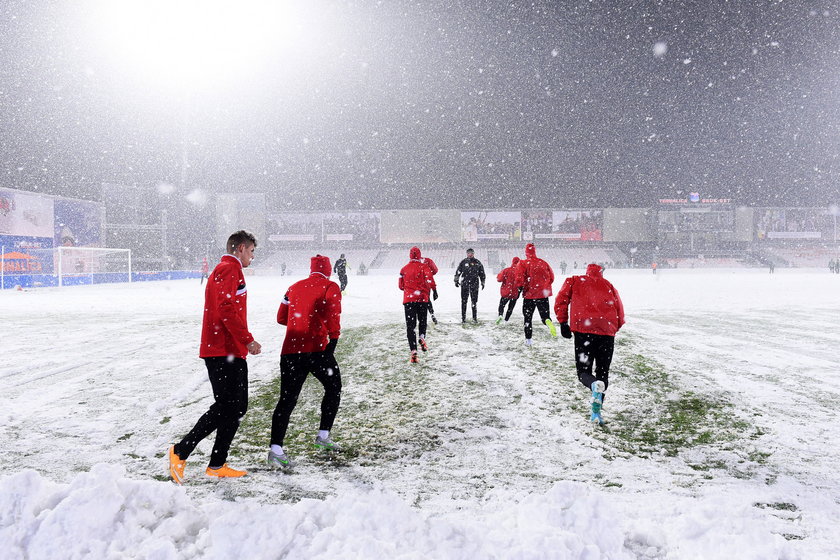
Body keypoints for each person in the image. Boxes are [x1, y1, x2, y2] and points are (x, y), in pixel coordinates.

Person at [168, 230, 262, 483]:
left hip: (228, 350)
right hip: (223, 350)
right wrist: (247, 339)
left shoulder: (229, 269)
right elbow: (226, 308)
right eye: (251, 251)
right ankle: (180, 451)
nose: (252, 257)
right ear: (240, 248)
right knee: (227, 406)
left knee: (236, 408)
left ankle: (217, 463)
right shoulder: (229, 268)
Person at [268, 254, 343, 468]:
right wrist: (333, 337)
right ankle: (323, 436)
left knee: (287, 399)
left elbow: (281, 317)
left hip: (291, 351)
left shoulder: (293, 287)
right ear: (328, 269)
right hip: (317, 349)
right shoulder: (330, 286)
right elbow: (333, 313)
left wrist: (299, 322)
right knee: (333, 388)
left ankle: (276, 448)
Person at [554, 263, 625, 425]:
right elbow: (619, 310)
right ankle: (597, 412)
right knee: (603, 372)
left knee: (583, 372)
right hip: (606, 333)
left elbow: (561, 300)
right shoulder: (608, 285)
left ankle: (593, 385)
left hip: (583, 332)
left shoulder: (574, 281)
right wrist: (614, 328)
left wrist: (563, 322)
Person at [399, 246, 437, 363]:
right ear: (419, 255)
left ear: (410, 255)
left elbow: (401, 286)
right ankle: (422, 337)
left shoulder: (404, 269)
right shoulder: (424, 266)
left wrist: (410, 289)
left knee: (410, 326)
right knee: (422, 321)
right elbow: (430, 277)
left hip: (409, 300)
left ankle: (413, 351)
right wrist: (434, 290)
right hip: (422, 299)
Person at [516, 243, 557, 345]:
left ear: (526, 253)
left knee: (528, 318)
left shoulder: (523, 263)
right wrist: (543, 287)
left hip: (529, 295)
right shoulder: (543, 263)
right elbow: (551, 277)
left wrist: (522, 287)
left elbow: (519, 279)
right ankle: (547, 320)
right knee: (544, 315)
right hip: (542, 294)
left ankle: (528, 340)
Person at [454, 248, 485, 323]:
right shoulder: (463, 262)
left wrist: (483, 282)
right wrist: (456, 280)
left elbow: (482, 273)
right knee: (464, 302)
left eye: (471, 253)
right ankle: (463, 318)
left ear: (473, 253)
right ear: (466, 254)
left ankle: (474, 318)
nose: (470, 254)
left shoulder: (477, 262)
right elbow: (458, 271)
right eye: (468, 253)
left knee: (474, 302)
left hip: (474, 284)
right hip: (465, 284)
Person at [495, 257, 521, 324]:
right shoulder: (520, 272)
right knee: (510, 307)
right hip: (515, 293)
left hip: (506, 292)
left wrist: (499, 276)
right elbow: (523, 283)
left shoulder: (506, 270)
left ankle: (500, 315)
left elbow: (499, 279)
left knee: (502, 305)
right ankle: (506, 320)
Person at [420, 253, 440, 324]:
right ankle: (432, 315)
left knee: (417, 300)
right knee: (427, 299)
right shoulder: (428, 261)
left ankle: (419, 317)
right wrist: (429, 274)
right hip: (426, 283)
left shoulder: (413, 263)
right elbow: (435, 270)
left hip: (417, 284)